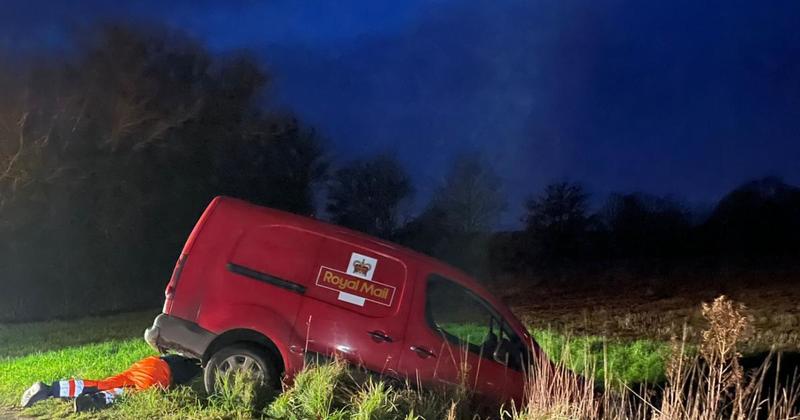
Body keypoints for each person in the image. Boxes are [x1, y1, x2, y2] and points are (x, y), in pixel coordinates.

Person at [20, 354, 201, 412]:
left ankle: (50, 389)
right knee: (131, 394)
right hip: (160, 374)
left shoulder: (183, 353)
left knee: (103, 383)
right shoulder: (195, 367)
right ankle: (94, 401)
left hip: (146, 363)